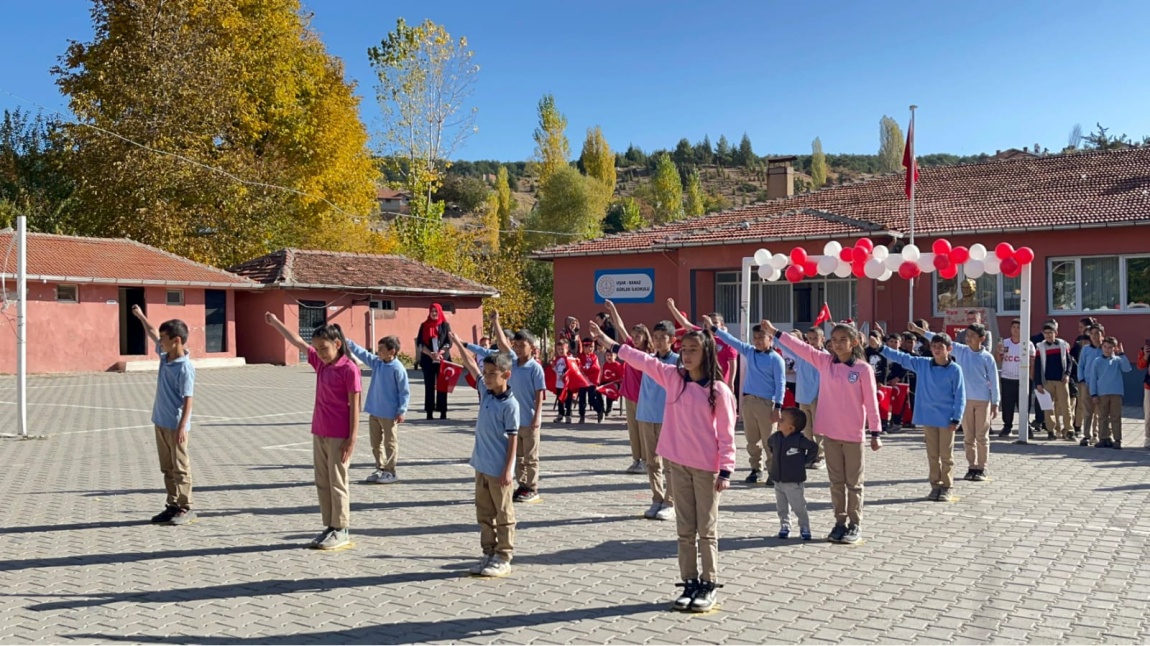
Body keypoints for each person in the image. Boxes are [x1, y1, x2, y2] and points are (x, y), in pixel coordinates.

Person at [590, 321, 736, 613]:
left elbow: (727, 434)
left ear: (707, 353)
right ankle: (690, 581)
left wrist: (726, 470)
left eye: (694, 350)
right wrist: (610, 343)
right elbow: (641, 359)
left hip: (706, 470)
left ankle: (709, 583)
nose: (688, 355)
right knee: (685, 529)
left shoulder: (717, 390)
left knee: (706, 530)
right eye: (685, 349)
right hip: (677, 466)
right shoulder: (673, 377)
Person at [772, 320, 882, 544]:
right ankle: (840, 522)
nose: (839, 344)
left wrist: (875, 432)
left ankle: (854, 524)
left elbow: (871, 402)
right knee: (836, 483)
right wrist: (775, 333)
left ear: (853, 342)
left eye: (844, 340)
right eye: (836, 340)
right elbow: (802, 348)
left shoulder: (862, 369)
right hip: (830, 435)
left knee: (854, 483)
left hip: (852, 436)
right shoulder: (824, 362)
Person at [265, 314, 361, 550]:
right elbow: (298, 341)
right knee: (323, 481)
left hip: (340, 434)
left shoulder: (349, 369)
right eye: (317, 348)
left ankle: (342, 528)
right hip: (320, 430)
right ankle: (329, 525)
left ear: (337, 344)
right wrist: (277, 323)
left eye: (324, 348)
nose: (319, 352)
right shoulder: (320, 363)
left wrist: (352, 438)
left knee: (338, 481)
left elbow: (355, 404)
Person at [451, 338, 519, 578]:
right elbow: (471, 365)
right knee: (484, 514)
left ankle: (504, 555)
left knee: (503, 513)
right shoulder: (486, 393)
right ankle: (488, 552)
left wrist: (508, 469)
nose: (487, 377)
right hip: (481, 465)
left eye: (493, 374)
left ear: (506, 375)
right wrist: (459, 345)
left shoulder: (510, 405)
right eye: (486, 373)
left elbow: (513, 439)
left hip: (499, 470)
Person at [878, 331, 966, 502]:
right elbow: (901, 357)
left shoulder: (955, 370)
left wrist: (957, 417)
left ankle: (947, 486)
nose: (937, 350)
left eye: (940, 347)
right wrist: (881, 348)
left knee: (946, 455)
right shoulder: (923, 364)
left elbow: (960, 395)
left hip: (947, 419)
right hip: (928, 418)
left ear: (949, 349)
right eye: (934, 346)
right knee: (932, 454)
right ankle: (935, 485)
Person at [470, 313, 547, 504]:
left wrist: (537, 417)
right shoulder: (512, 361)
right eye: (517, 346)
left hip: (529, 420)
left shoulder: (535, 368)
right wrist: (496, 322)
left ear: (532, 347)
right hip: (514, 419)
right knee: (518, 456)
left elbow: (540, 395)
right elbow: (503, 344)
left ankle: (532, 487)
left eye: (523, 346)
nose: (519, 349)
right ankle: (522, 485)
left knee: (530, 456)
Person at [131, 306, 197, 527]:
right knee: (167, 467)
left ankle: (184, 507)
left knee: (180, 467)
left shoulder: (185, 368)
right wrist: (140, 316)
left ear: (176, 340)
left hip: (176, 425)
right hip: (160, 421)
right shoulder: (165, 357)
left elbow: (189, 399)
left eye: (163, 339)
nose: (159, 342)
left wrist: (181, 427)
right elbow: (151, 332)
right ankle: (171, 505)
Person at [913, 322, 999, 482]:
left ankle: (982, 467)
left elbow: (994, 380)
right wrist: (919, 330)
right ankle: (971, 466)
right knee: (968, 436)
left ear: (982, 338)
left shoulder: (987, 357)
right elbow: (937, 338)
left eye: (973, 336)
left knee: (982, 436)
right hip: (965, 400)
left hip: (983, 400)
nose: (969, 338)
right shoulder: (961, 350)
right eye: (968, 335)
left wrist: (995, 402)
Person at [704, 315, 785, 486]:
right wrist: (714, 328)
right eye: (755, 338)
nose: (757, 341)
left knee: (768, 440)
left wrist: (778, 406)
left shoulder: (776, 359)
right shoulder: (749, 351)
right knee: (752, 440)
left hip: (766, 404)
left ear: (770, 338)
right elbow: (730, 340)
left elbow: (781, 384)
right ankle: (756, 469)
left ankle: (774, 471)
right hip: (748, 401)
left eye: (761, 337)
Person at [632, 315, 680, 521]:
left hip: (668, 418)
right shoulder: (649, 360)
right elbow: (626, 348)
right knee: (652, 462)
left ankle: (671, 501)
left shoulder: (678, 362)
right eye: (656, 337)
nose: (659, 340)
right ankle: (657, 498)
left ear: (672, 340)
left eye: (663, 337)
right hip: (646, 415)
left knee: (670, 463)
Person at [346, 336, 409, 484]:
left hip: (389, 414)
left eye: (381, 349)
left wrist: (402, 410)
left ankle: (391, 471)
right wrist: (348, 342)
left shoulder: (398, 368)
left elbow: (404, 391)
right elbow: (363, 354)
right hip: (374, 411)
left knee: (390, 443)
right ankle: (380, 468)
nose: (378, 352)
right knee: (375, 443)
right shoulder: (378, 363)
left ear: (391, 351)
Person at [603, 299, 651, 474]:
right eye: (634, 335)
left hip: (643, 397)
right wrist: (613, 308)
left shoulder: (648, 353)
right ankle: (636, 459)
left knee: (643, 430)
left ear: (645, 336)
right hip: (629, 394)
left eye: (639, 335)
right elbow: (620, 326)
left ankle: (646, 460)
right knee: (632, 429)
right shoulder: (629, 347)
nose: (636, 339)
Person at [767, 408, 819, 540]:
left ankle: (804, 527)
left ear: (791, 427)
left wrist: (805, 462)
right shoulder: (776, 437)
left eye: (782, 419)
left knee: (799, 506)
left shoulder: (799, 439)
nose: (779, 421)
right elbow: (770, 444)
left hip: (793, 480)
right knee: (781, 506)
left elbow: (813, 447)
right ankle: (785, 526)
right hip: (778, 479)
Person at [781, 327, 826, 470]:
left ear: (822, 339)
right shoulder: (803, 354)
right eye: (810, 338)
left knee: (819, 429)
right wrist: (773, 333)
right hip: (803, 396)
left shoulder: (825, 356)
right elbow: (785, 344)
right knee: (807, 428)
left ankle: (821, 456)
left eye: (815, 338)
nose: (812, 341)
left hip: (818, 397)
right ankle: (810, 454)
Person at [667, 299, 739, 388]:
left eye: (715, 323)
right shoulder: (702, 335)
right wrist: (672, 307)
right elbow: (685, 324)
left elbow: (733, 363)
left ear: (722, 324)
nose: (711, 325)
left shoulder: (727, 340)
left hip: (720, 383)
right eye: (708, 323)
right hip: (702, 382)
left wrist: (731, 382)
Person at [1087, 336, 1131, 449]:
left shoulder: (1118, 360)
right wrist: (1094, 394)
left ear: (1114, 348)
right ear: (1102, 347)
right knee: (1102, 416)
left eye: (1110, 347)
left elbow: (1127, 369)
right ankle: (1103, 438)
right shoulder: (1097, 361)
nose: (1107, 349)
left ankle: (1117, 439)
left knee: (1115, 417)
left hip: (1116, 393)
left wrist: (1122, 354)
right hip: (1102, 393)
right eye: (1105, 347)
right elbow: (1093, 378)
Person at [996, 319, 1036, 438]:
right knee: (1007, 404)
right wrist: (997, 351)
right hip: (1007, 377)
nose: (1016, 330)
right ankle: (1007, 426)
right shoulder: (1005, 343)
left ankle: (1025, 426)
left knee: (1024, 404)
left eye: (1018, 327)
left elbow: (1032, 362)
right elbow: (999, 359)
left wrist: (1031, 377)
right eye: (1013, 327)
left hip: (1023, 379)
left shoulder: (1028, 344)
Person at [1034, 323, 1073, 441]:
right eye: (1046, 333)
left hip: (1061, 380)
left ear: (1056, 333)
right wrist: (1038, 383)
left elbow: (1069, 361)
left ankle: (1069, 429)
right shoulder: (1040, 347)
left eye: (1051, 333)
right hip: (1047, 381)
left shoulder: (1062, 344)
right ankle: (1051, 430)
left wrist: (1067, 374)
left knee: (1065, 406)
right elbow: (1037, 366)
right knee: (1048, 407)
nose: (1048, 335)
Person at [415, 304, 453, 420]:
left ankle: (443, 412)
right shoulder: (424, 325)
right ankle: (429, 412)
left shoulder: (445, 325)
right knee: (429, 386)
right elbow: (420, 343)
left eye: (436, 311)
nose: (434, 313)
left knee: (442, 386)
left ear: (440, 312)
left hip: (443, 359)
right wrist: (430, 354)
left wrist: (440, 352)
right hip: (428, 359)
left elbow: (449, 342)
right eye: (432, 311)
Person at [1076, 324, 1105, 446]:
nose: (1094, 337)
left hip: (1102, 385)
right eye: (1092, 334)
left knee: (1100, 411)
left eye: (1097, 334)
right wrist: (1081, 379)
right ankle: (1086, 435)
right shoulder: (1086, 349)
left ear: (1102, 335)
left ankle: (1097, 434)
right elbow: (1081, 365)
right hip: (1087, 383)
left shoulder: (1105, 348)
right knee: (1088, 411)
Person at [577, 338, 605, 424]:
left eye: (593, 347)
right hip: (582, 382)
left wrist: (586, 370)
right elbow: (578, 368)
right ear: (584, 347)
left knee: (591, 399)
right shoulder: (580, 357)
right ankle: (582, 416)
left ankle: (600, 412)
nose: (592, 349)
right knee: (582, 400)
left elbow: (596, 368)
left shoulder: (594, 357)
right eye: (590, 347)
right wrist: (584, 370)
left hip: (591, 382)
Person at [600, 348, 624, 417]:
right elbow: (603, 377)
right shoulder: (605, 365)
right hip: (606, 382)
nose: (609, 357)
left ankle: (609, 408)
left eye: (611, 355)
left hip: (615, 384)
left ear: (615, 356)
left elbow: (621, 378)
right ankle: (601, 408)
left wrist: (615, 382)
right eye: (607, 355)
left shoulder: (617, 365)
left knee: (610, 389)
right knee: (597, 390)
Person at [1137, 343, 1150, 449]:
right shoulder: (1146, 348)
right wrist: (1145, 355)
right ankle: (1148, 437)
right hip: (1149, 386)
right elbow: (1140, 365)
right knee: (1148, 413)